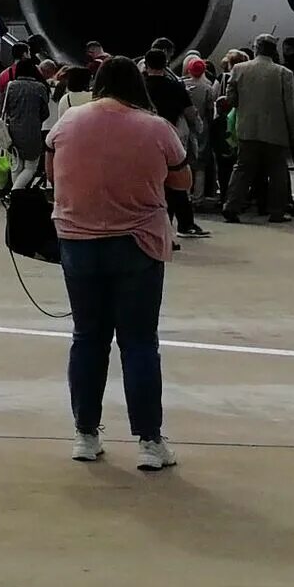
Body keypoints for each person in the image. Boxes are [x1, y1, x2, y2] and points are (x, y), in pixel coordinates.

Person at [46, 54, 192, 470]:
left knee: (87, 338)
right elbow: (183, 180)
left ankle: (85, 435)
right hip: (138, 244)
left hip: (78, 243)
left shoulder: (68, 122)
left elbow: (52, 172)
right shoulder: (155, 127)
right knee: (140, 342)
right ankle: (149, 442)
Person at [223, 35, 294, 223]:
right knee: (278, 172)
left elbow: (231, 100)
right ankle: (277, 212)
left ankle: (231, 206)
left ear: (256, 48)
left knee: (242, 169)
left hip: (246, 130)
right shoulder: (284, 73)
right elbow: (291, 108)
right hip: (276, 132)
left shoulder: (239, 69)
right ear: (273, 50)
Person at [142, 50, 206, 239]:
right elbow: (190, 112)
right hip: (171, 137)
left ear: (145, 64)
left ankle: (158, 227)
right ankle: (180, 224)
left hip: (142, 139)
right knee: (175, 183)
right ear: (167, 64)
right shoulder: (175, 87)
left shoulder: (140, 87)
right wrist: (198, 129)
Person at [2, 57, 50, 190]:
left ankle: (16, 199)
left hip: (13, 132)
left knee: (16, 166)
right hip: (33, 132)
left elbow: (4, 109)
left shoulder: (11, 86)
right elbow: (45, 113)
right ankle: (15, 194)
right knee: (30, 168)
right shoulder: (40, 88)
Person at [181, 55, 218, 203]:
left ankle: (185, 193)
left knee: (185, 161)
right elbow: (210, 109)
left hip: (185, 125)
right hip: (202, 126)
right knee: (200, 164)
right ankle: (198, 196)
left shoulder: (182, 84)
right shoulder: (207, 87)